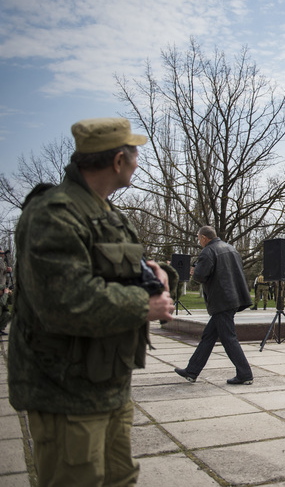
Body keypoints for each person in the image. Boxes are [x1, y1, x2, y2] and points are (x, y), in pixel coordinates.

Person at [8, 117, 176, 485]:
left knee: (120, 479)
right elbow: (66, 302)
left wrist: (160, 275)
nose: (137, 162)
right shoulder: (54, 214)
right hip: (66, 393)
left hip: (109, 385)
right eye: (135, 154)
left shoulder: (108, 213)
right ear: (119, 161)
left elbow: (123, 268)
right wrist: (142, 306)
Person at [175, 226, 254, 385]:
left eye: (199, 239)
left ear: (204, 238)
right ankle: (192, 371)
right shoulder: (231, 249)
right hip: (232, 298)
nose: (199, 242)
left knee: (228, 338)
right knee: (208, 337)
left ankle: (245, 374)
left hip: (221, 301)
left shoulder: (208, 251)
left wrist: (194, 271)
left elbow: (200, 276)